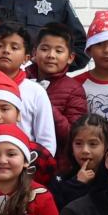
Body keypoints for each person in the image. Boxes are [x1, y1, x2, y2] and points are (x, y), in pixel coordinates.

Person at [0, 24, 59, 157]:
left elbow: (47, 140)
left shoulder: (36, 91)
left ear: (26, 58)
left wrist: (35, 168)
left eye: (14, 47)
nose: (6, 51)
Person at [30, 21, 89, 149]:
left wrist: (45, 104)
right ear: (34, 53)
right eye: (45, 49)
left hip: (55, 162)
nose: (51, 55)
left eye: (59, 51)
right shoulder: (22, 79)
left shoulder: (74, 89)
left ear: (70, 57)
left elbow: (73, 135)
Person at [51, 113, 108, 210]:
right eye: (78, 143)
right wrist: (77, 184)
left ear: (106, 147)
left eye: (93, 144)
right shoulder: (62, 179)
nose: (85, 150)